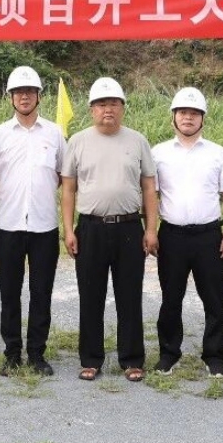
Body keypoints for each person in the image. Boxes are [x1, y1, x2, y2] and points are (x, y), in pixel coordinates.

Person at [60, 77, 158, 382]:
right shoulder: (78, 142)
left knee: (130, 295)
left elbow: (149, 187)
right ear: (92, 109)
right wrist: (68, 230)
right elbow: (68, 189)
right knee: (91, 295)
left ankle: (132, 359)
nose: (108, 109)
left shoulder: (137, 141)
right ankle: (91, 359)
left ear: (122, 108)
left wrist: (151, 229)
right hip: (90, 228)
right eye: (101, 104)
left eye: (114, 103)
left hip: (129, 227)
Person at [152, 87, 223, 379]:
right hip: (171, 236)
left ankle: (214, 355)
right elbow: (150, 196)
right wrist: (150, 231)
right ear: (173, 117)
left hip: (208, 237)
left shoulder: (216, 152)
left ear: (203, 118)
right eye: (182, 112)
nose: (188, 117)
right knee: (171, 298)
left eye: (194, 113)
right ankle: (169, 353)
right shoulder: (158, 153)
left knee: (214, 299)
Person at [0, 66, 65, 376]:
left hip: (45, 225)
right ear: (10, 97)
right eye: (19, 92)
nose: (24, 96)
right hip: (9, 225)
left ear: (38, 96)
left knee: (41, 292)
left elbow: (62, 175)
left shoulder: (55, 133)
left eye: (30, 91)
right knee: (9, 293)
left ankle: (36, 353)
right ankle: (12, 353)